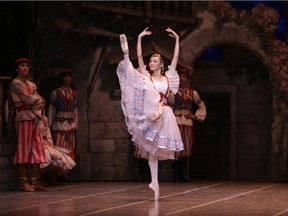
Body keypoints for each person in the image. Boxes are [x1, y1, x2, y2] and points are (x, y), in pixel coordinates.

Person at [116, 27, 184, 200]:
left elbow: (175, 58)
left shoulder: (169, 77)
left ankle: (156, 181)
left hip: (165, 115)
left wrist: (177, 39)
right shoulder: (147, 77)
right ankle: (154, 182)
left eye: (154, 61)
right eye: (150, 61)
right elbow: (139, 57)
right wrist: (139, 38)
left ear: (161, 64)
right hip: (152, 113)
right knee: (151, 150)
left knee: (158, 149)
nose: (151, 63)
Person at [10, 57, 47, 192]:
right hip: (23, 117)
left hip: (33, 117)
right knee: (23, 149)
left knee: (37, 149)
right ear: (17, 69)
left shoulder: (31, 84)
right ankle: (23, 182)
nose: (25, 68)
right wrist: (35, 100)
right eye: (22, 66)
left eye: (27, 66)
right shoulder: (16, 83)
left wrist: (35, 100)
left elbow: (41, 101)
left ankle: (36, 181)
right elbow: (28, 99)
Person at [168, 68, 206, 182]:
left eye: (184, 76)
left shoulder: (193, 93)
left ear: (187, 79)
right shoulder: (172, 94)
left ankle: (184, 173)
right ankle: (175, 174)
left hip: (187, 122)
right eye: (180, 76)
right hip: (176, 121)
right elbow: (169, 108)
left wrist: (195, 116)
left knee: (186, 147)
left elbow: (202, 105)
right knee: (175, 148)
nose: (182, 78)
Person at [38, 99, 76, 184]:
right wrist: (41, 143)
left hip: (46, 143)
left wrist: (50, 142)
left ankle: (52, 177)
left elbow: (47, 132)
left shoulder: (44, 118)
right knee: (48, 154)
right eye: (40, 102)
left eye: (43, 103)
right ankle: (38, 178)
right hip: (38, 143)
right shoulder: (33, 118)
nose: (42, 104)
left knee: (60, 154)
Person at [48, 68, 78, 155]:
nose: (67, 78)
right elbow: (51, 109)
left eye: (69, 76)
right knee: (59, 147)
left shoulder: (74, 94)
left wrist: (76, 124)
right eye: (65, 76)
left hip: (70, 123)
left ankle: (69, 167)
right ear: (62, 78)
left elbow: (75, 110)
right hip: (59, 123)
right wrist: (49, 124)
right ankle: (60, 167)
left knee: (71, 147)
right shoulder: (56, 92)